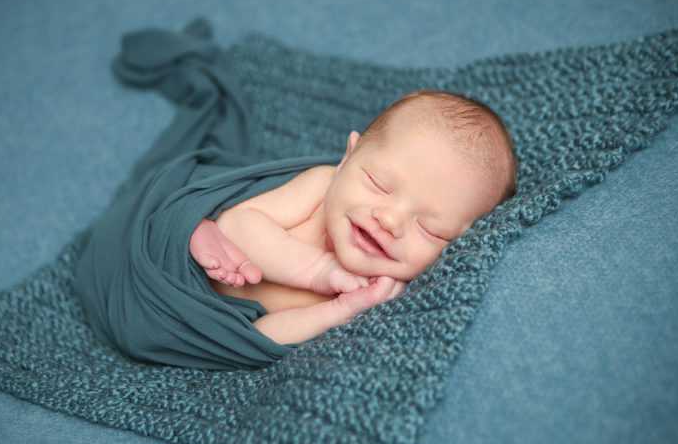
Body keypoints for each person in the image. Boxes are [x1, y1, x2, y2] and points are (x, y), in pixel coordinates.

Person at [189, 90, 518, 345]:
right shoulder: (319, 187)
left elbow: (258, 339)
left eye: (430, 229)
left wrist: (337, 312)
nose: (389, 220)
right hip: (181, 263)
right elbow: (234, 224)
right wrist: (320, 270)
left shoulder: (374, 292)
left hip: (202, 319)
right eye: (379, 183)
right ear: (347, 158)